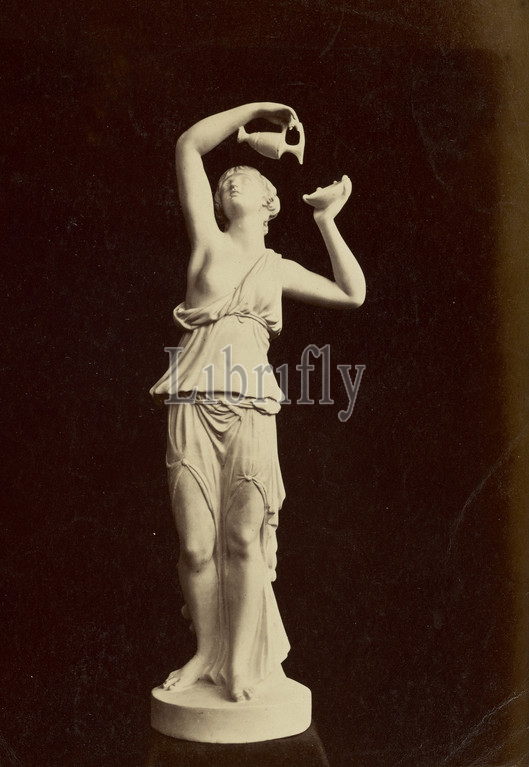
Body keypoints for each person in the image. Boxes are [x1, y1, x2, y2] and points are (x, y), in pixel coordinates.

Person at [150, 102, 366, 702]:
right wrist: (255, 111)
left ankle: (240, 665)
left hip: (250, 406)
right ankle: (204, 653)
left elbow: (353, 293)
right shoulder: (207, 242)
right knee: (196, 545)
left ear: (270, 202)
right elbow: (190, 145)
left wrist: (326, 220)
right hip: (193, 400)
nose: (229, 180)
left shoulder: (278, 268)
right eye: (225, 183)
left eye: (241, 178)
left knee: (244, 541)